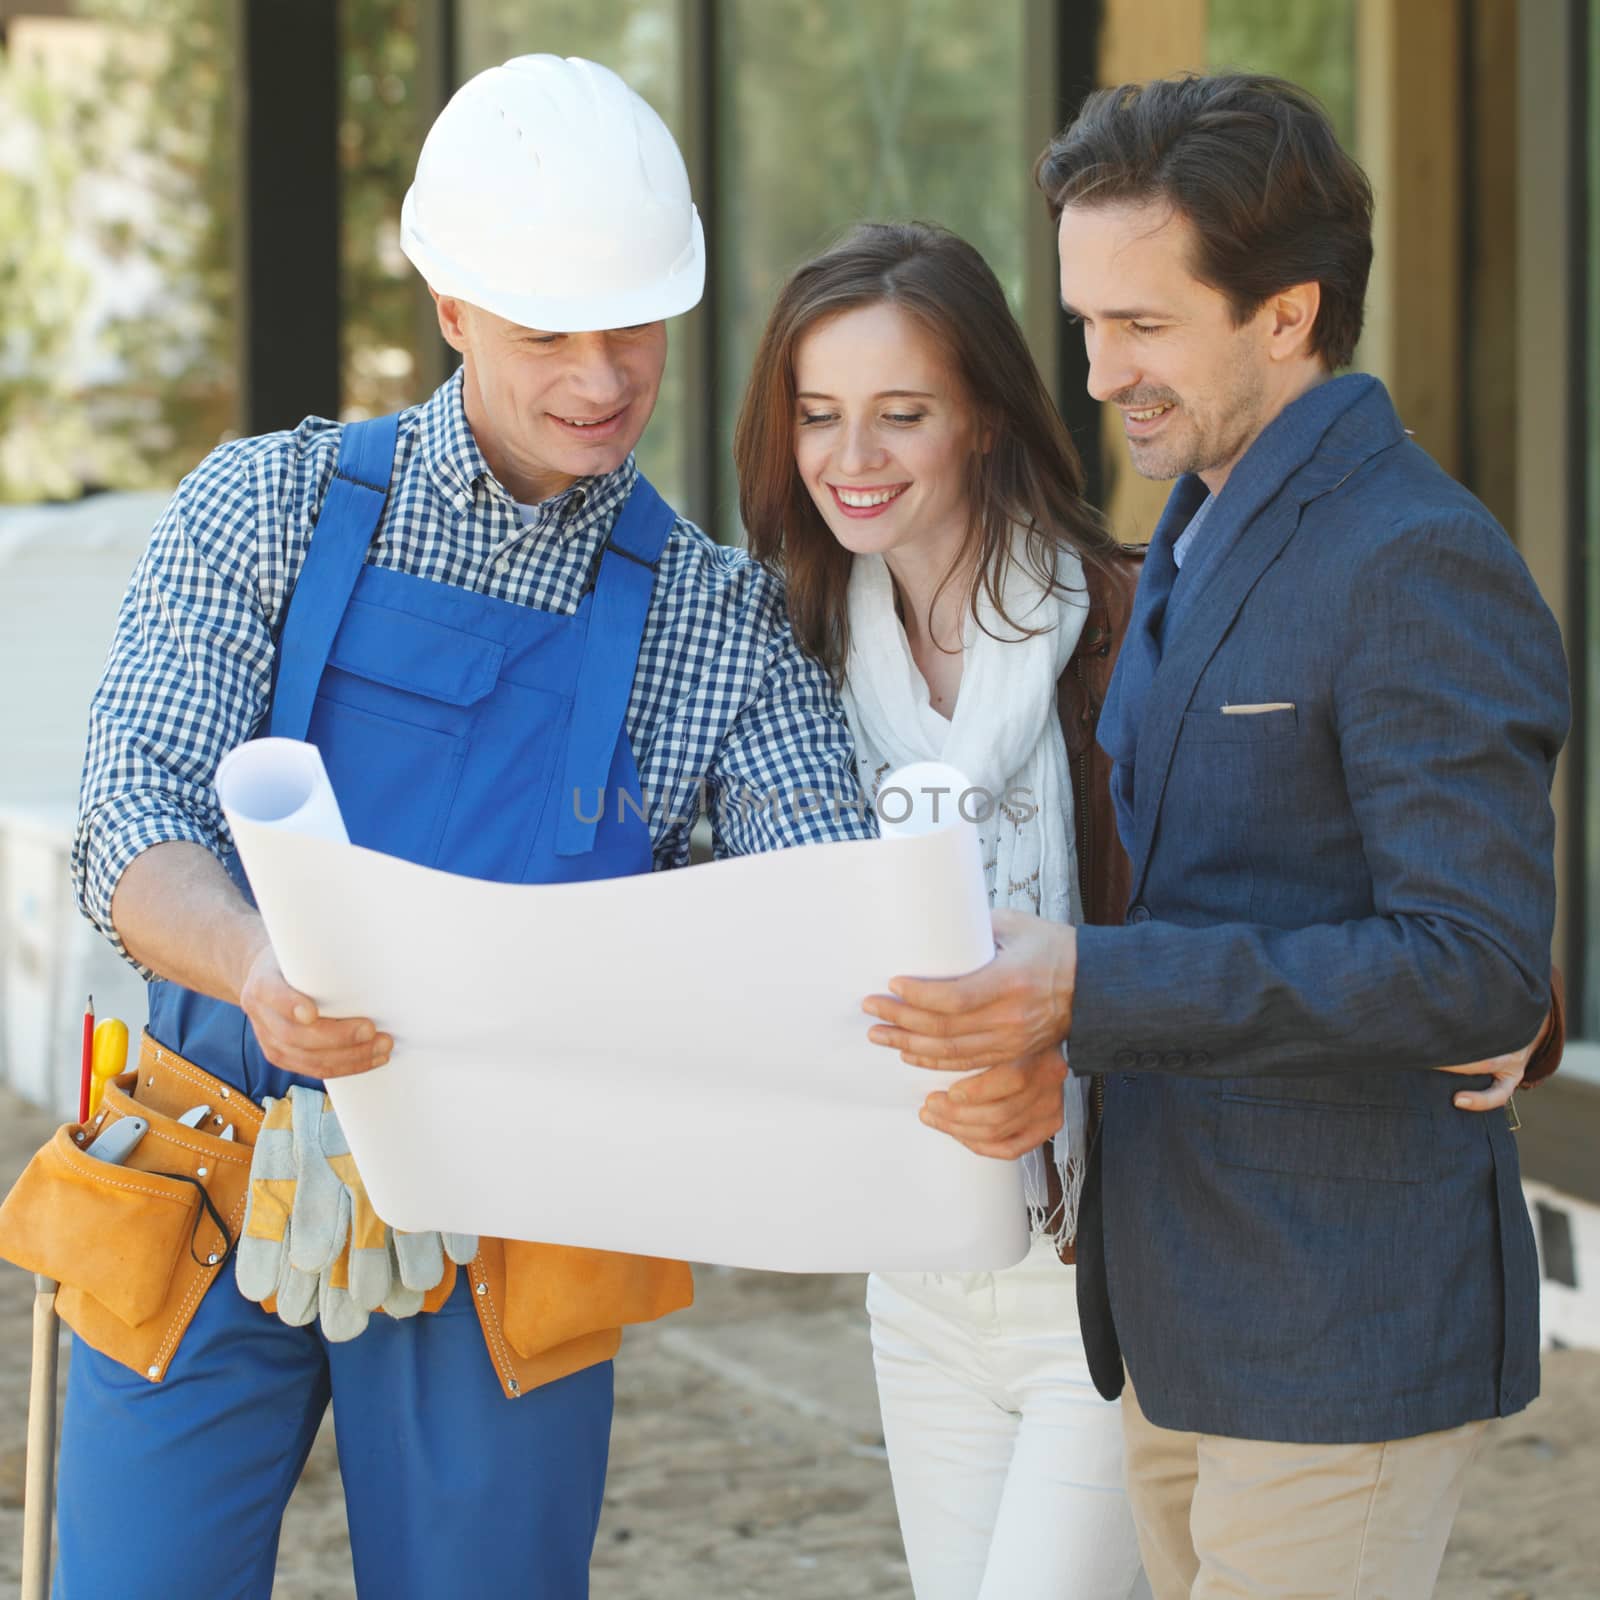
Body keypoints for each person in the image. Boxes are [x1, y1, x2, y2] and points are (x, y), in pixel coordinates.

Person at [39, 55, 873, 1600]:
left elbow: (815, 902)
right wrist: (256, 965)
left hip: (516, 1215)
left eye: (634, 324)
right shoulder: (263, 509)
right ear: (451, 309)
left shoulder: (714, 623)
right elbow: (134, 820)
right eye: (549, 328)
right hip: (211, 1161)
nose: (603, 372)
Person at [859, 75, 1569, 1600]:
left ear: (1289, 315)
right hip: (1180, 1332)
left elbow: (1475, 969)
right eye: (1087, 320)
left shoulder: (1417, 560)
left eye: (1143, 325)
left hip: (1338, 1334)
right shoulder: (1188, 532)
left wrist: (1087, 988)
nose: (1100, 368)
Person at [736, 219, 1149, 1598]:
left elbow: (1208, 939)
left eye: (900, 414)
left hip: (1110, 1277)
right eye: (819, 416)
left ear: (980, 415)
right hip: (914, 1276)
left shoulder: (1128, 631)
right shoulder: (789, 656)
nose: (852, 460)